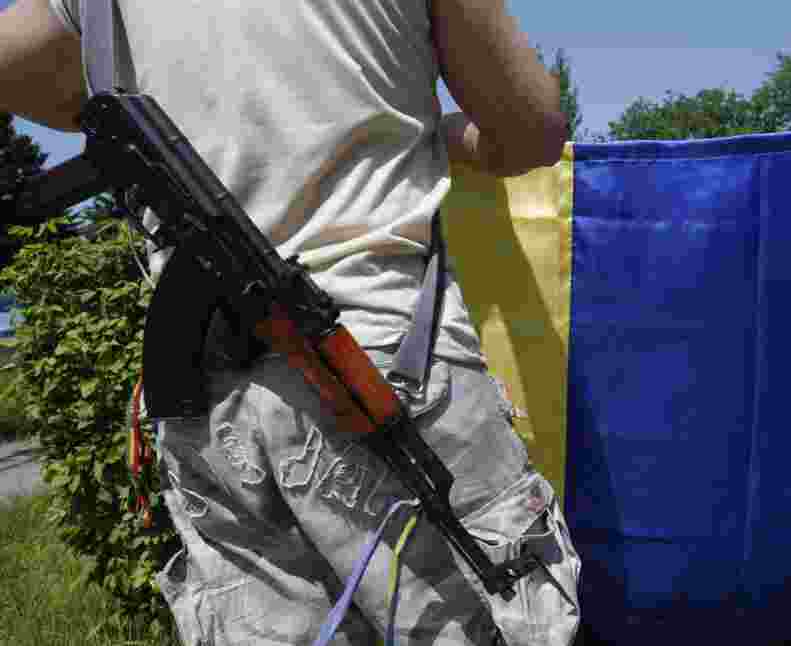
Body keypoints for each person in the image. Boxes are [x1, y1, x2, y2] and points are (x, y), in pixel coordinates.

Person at [0, 0, 580, 644]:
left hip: (215, 398)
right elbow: (533, 131)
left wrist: (161, 117)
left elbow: (10, 60)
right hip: (386, 354)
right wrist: (436, 134)